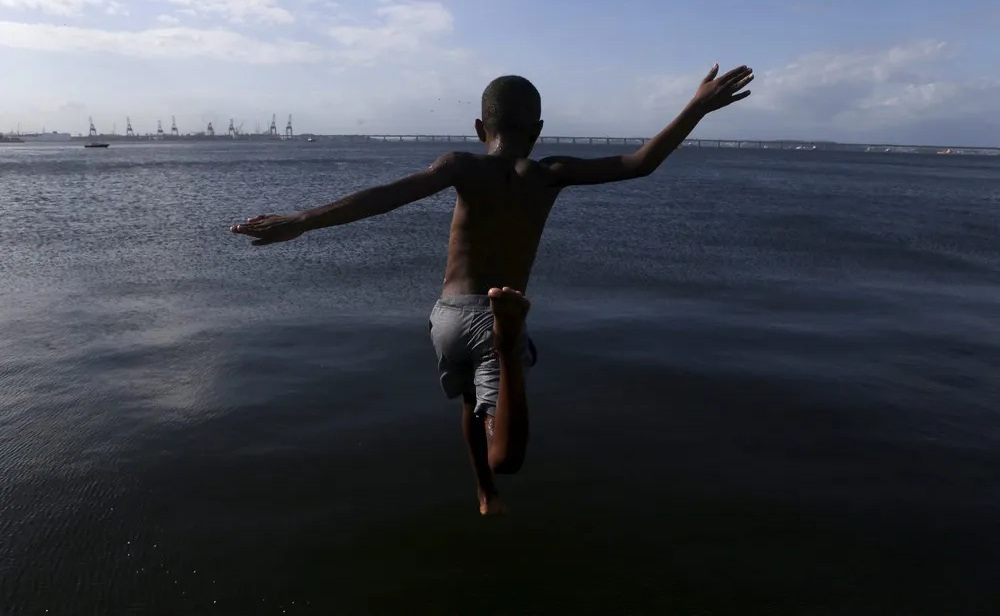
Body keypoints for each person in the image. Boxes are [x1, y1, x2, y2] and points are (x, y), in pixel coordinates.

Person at [231, 63, 754, 515]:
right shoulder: (549, 174)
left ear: (481, 127)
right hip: (493, 321)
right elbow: (640, 163)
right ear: (539, 130)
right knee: (509, 455)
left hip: (446, 318)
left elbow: (385, 196)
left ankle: (484, 494)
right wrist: (696, 108)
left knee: (469, 403)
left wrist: (303, 220)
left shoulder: (461, 167)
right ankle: (507, 356)